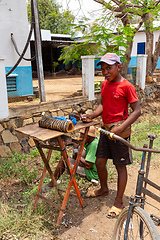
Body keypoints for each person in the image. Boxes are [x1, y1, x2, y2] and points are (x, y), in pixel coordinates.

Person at [82, 53, 141, 218]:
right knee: (100, 162)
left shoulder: (127, 86)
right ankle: (104, 188)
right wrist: (92, 116)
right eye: (103, 69)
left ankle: (119, 201)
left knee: (120, 167)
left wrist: (120, 128)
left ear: (118, 67)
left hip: (119, 133)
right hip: (105, 130)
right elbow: (103, 104)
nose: (105, 72)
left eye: (109, 68)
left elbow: (137, 111)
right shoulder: (105, 85)